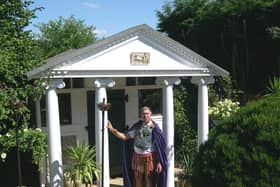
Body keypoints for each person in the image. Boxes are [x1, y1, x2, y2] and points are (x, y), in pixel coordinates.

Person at [107, 106, 167, 187]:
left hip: (150, 158)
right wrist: (113, 130)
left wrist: (160, 162)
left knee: (149, 179)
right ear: (140, 115)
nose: (145, 115)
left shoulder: (155, 129)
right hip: (137, 157)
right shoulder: (137, 126)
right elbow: (125, 136)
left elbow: (160, 147)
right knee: (137, 179)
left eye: (147, 113)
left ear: (150, 114)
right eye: (143, 114)